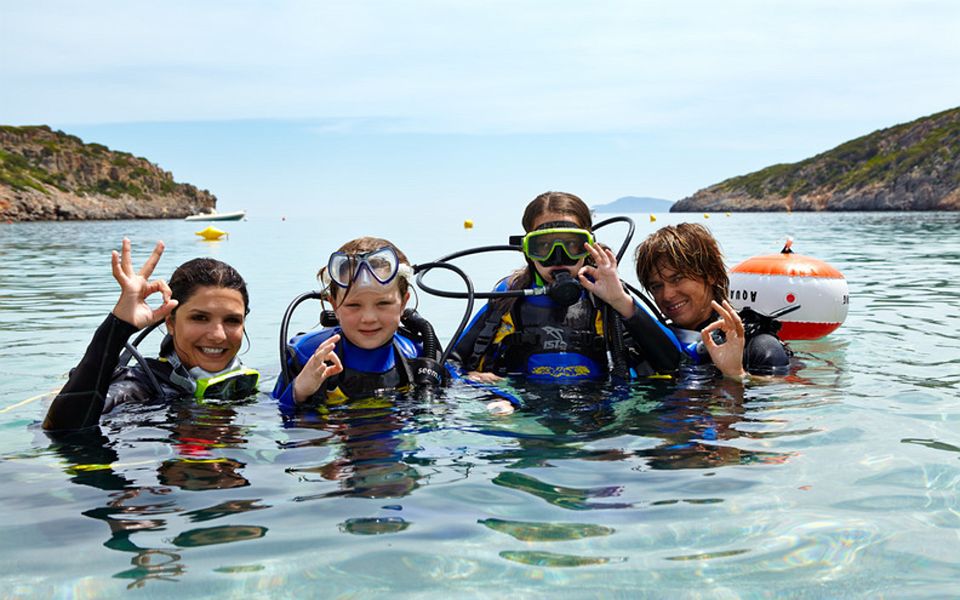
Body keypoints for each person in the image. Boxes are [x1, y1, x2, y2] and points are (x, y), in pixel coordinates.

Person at [451, 191, 682, 384]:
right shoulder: (508, 296)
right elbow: (451, 364)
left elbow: (676, 363)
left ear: (589, 246)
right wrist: (478, 384)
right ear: (527, 250)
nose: (558, 257)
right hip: (519, 410)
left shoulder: (608, 296)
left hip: (598, 419)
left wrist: (620, 301)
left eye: (572, 245)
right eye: (543, 246)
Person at [43, 239, 259, 431]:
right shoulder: (139, 388)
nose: (218, 335)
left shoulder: (248, 388)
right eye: (199, 318)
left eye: (232, 320)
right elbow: (64, 428)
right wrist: (118, 326)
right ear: (171, 323)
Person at [273, 237, 441, 407]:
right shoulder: (305, 356)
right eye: (354, 305)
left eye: (383, 303)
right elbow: (273, 413)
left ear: (403, 303)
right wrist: (298, 391)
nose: (368, 318)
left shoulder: (420, 355)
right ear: (335, 305)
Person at [633, 223, 791, 380]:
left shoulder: (760, 348)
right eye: (656, 286)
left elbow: (779, 395)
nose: (667, 295)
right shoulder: (649, 346)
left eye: (677, 279)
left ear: (711, 274)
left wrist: (735, 374)